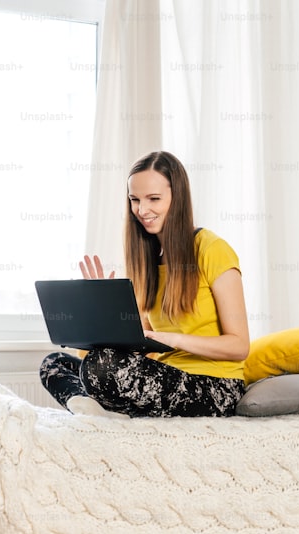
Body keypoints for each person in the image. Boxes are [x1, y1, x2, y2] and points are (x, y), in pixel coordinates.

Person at [39, 150, 250, 418]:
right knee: (54, 364)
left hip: (216, 386)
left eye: (154, 199)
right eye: (134, 200)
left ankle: (107, 409)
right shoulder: (148, 258)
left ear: (178, 198)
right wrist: (102, 311)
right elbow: (141, 340)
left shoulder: (212, 249)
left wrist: (172, 339)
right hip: (165, 376)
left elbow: (239, 346)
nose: (142, 210)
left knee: (100, 366)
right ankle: (92, 408)